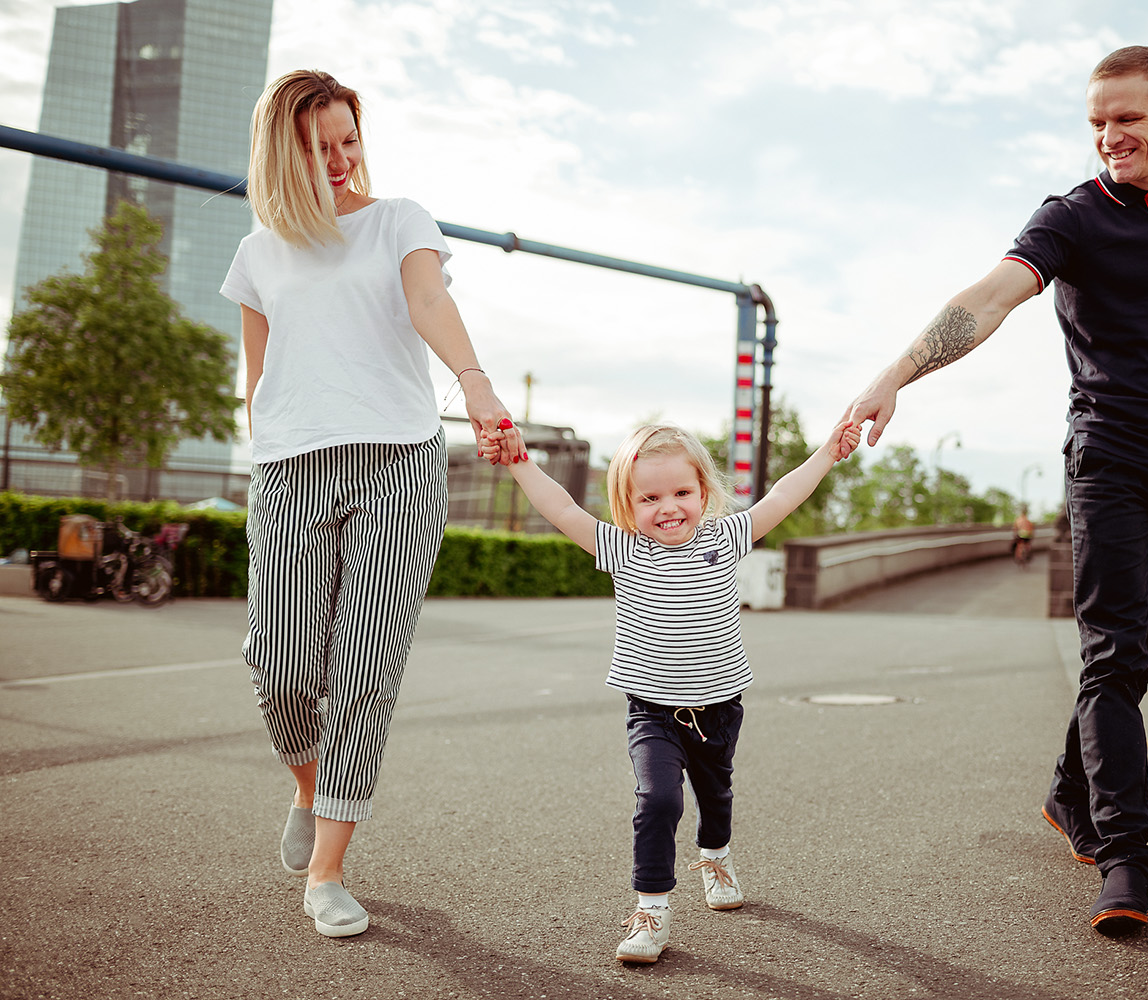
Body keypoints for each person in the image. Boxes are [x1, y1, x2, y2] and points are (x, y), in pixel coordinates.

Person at [840, 46, 1148, 935]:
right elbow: (990, 296)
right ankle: (1127, 861)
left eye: (1126, 118)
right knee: (1112, 655)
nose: (1109, 137)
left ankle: (1065, 788)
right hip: (1110, 459)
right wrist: (897, 374)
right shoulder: (1074, 216)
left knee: (1136, 661)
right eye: (1095, 122)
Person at [219, 69, 522, 938]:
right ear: (284, 155)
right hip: (287, 469)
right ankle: (314, 793)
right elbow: (258, 377)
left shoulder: (400, 220)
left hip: (397, 462)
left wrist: (476, 383)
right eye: (321, 149)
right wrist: (265, 449)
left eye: (351, 141)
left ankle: (327, 871)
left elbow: (429, 298)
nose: (343, 161)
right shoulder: (257, 255)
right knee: (275, 661)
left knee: (362, 669)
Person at [485, 420, 860, 963]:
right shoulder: (621, 549)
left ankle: (716, 855)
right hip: (653, 712)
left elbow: (782, 496)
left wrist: (828, 452)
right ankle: (652, 911)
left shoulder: (726, 538)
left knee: (716, 797)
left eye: (682, 493)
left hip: (719, 708)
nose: (669, 507)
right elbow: (563, 509)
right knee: (658, 801)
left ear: (704, 494)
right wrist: (520, 463)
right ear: (628, 504)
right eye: (651, 497)